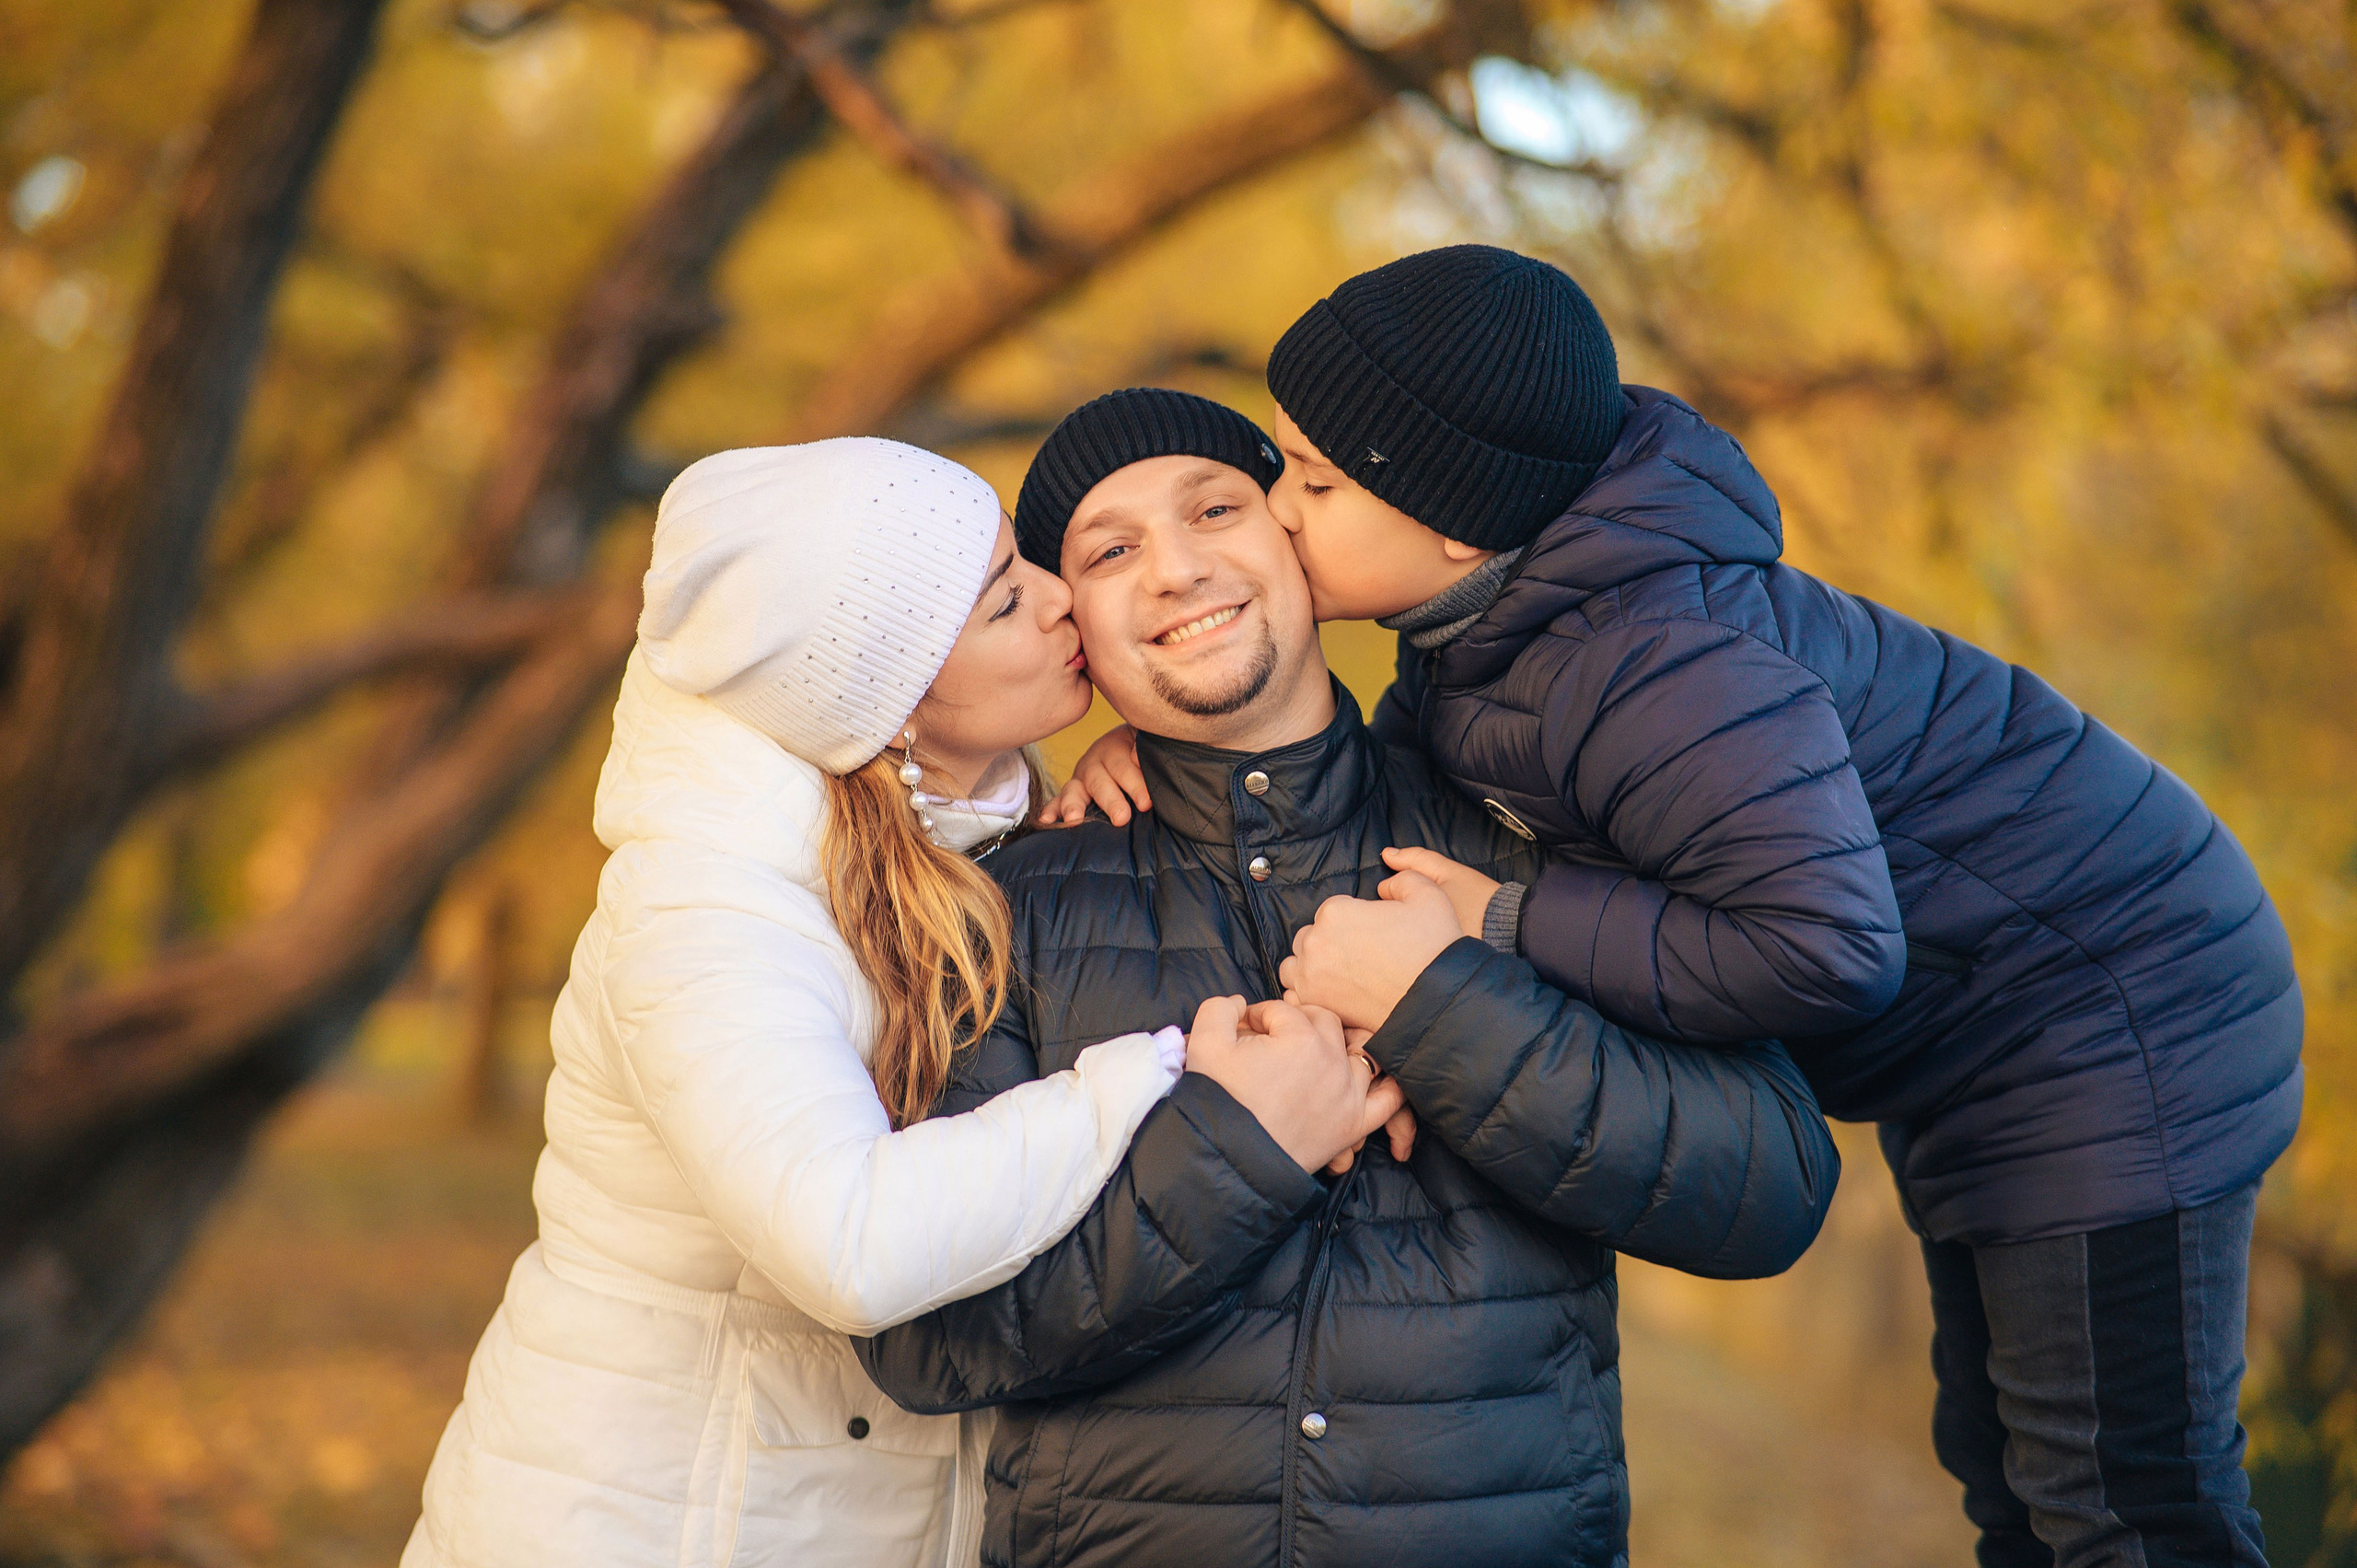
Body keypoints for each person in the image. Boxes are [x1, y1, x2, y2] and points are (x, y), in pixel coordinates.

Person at [1061, 245, 2304, 1568]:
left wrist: (1505, 925)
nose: (1278, 510)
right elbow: (1388, 804)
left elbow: (1823, 950)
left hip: (2118, 1012)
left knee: (2122, 1494)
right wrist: (1170, 747)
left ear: (1452, 523)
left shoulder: (1658, 658)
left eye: (1313, 481)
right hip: (1989, 1038)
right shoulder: (1486, 630)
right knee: (2012, 1476)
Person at [853, 389, 1841, 1568]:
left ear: (1296, 538)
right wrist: (1240, 1147)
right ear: (1076, 629)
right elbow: (928, 1338)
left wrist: (1447, 1011)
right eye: (1110, 551)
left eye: (1214, 509)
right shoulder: (1001, 909)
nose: (1174, 569)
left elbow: (1770, 1186)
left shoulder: (1522, 835)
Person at [401, 438, 1401, 1568]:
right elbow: (848, 1242)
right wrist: (1161, 1075)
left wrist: (1155, 763)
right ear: (894, 703)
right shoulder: (702, 911)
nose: (1060, 598)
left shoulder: (943, 850)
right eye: (1003, 601)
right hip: (658, 1518)